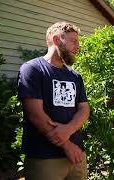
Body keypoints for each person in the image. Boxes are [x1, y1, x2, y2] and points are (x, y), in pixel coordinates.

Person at [17, 22, 90, 180]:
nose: (78, 46)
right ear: (56, 40)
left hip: (77, 156)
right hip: (44, 158)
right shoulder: (32, 69)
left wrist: (69, 130)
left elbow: (84, 109)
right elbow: (35, 114)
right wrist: (66, 145)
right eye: (73, 41)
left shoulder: (75, 76)